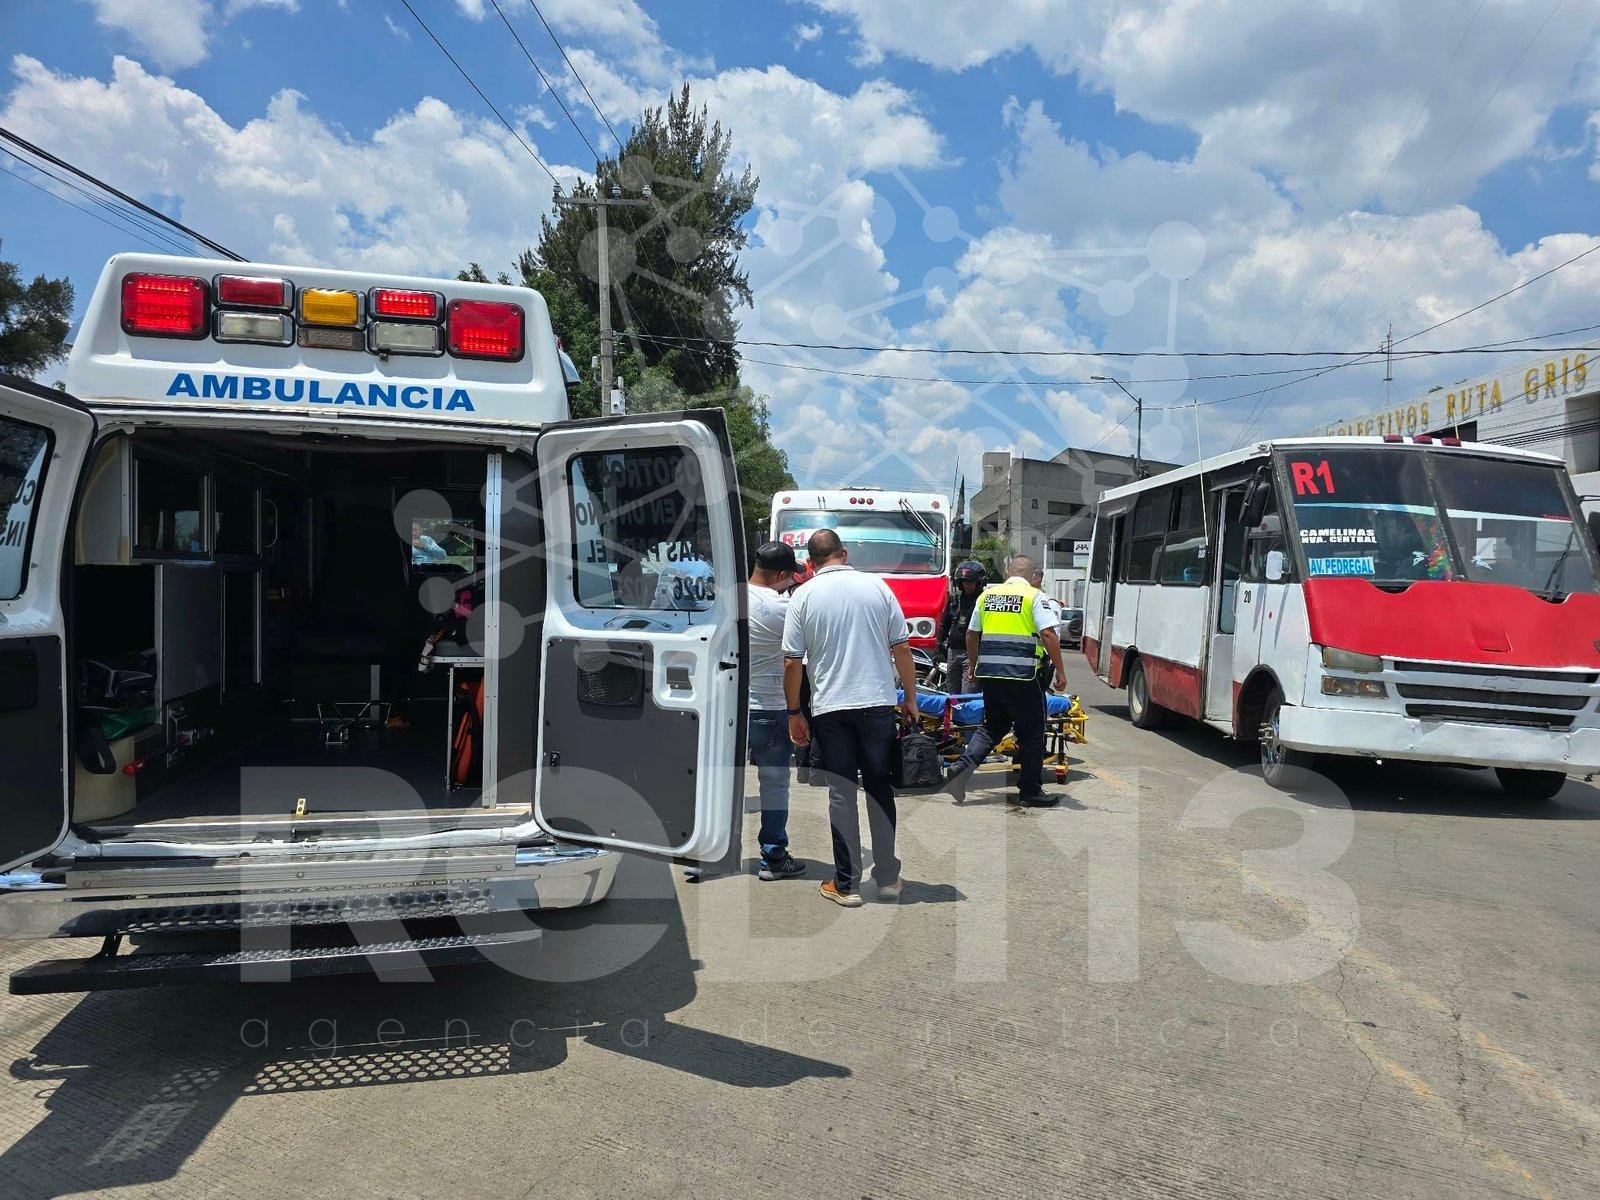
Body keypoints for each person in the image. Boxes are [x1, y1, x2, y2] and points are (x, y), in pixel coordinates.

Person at [783, 529, 920, 907]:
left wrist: (795, 712)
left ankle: (846, 884)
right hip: (876, 703)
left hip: (830, 708)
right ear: (844, 553)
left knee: (841, 793)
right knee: (879, 788)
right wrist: (909, 698)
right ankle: (888, 879)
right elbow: (902, 648)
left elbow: (793, 661)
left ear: (810, 563)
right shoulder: (877, 588)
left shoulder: (803, 596)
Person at [945, 554, 1068, 807]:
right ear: (1032, 576)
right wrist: (1061, 671)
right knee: (1031, 733)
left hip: (990, 675)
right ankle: (1030, 791)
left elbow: (971, 633)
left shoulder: (986, 596)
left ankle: (961, 769)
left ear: (1008, 573)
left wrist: (974, 666)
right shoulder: (1035, 597)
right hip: (1023, 676)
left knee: (993, 726)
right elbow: (1048, 634)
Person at [747, 541, 805, 880]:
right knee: (774, 784)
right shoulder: (783, 608)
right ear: (782, 574)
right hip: (771, 706)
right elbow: (797, 657)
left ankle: (701, 856)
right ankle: (772, 857)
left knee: (716, 779)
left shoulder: (729, 598)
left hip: (729, 705)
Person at [942, 559, 986, 692]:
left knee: (968, 693)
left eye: (971, 582)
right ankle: (952, 714)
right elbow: (945, 624)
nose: (968, 586)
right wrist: (938, 648)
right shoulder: (954, 600)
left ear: (979, 582)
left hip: (971, 654)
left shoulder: (983, 601)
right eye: (964, 582)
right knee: (952, 694)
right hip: (953, 651)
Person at [1028, 565, 1064, 698]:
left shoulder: (1049, 603)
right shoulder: (1025, 599)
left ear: (1037, 580)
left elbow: (1054, 635)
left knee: (1037, 697)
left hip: (1043, 660)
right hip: (1025, 658)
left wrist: (1055, 665)